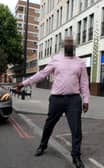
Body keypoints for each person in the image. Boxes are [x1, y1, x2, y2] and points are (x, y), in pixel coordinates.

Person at [15, 36, 90, 168]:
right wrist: (24, 83)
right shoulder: (56, 59)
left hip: (73, 100)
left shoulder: (80, 63)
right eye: (67, 44)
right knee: (49, 124)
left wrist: (86, 100)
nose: (69, 47)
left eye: (71, 45)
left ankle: (76, 156)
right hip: (57, 99)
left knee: (76, 129)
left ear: (74, 47)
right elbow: (41, 74)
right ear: (64, 46)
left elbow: (84, 83)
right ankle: (42, 146)